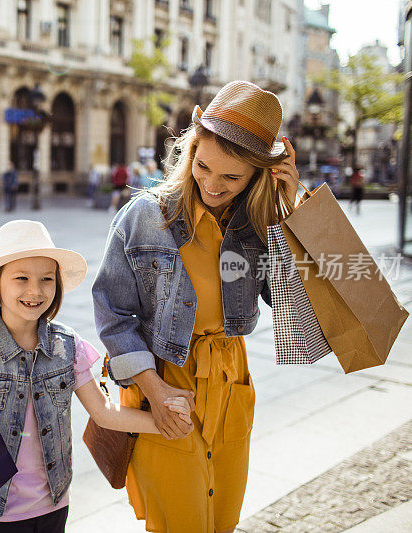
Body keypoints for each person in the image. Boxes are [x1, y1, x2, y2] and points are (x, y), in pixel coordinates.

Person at [92, 81, 301, 533]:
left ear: (258, 176)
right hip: (166, 383)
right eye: (202, 166)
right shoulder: (144, 216)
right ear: (191, 148)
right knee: (178, 523)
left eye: (231, 178)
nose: (211, 184)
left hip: (232, 385)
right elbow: (112, 314)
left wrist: (292, 210)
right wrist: (154, 391)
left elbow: (292, 308)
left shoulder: (257, 224)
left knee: (220, 521)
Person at [0, 220, 191, 533]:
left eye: (46, 279)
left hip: (55, 499)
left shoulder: (69, 345)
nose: (35, 290)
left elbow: (103, 412)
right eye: (21, 278)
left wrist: (163, 423)